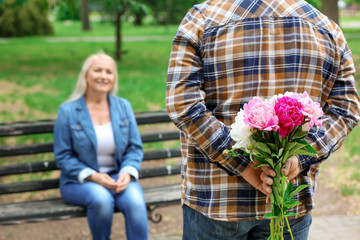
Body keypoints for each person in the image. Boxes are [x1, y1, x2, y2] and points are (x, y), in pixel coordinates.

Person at [166, 0, 360, 239]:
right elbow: (346, 109)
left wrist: (244, 164)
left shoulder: (202, 19)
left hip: (218, 201)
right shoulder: (327, 29)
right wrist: (299, 159)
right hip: (288, 202)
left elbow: (183, 104)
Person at [54, 53, 149, 240]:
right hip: (80, 181)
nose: (103, 76)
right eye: (97, 70)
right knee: (101, 199)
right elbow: (63, 155)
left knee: (136, 202)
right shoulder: (68, 111)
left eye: (109, 72)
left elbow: (134, 147)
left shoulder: (123, 106)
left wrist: (127, 172)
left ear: (114, 79)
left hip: (117, 176)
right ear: (86, 76)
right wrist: (94, 176)